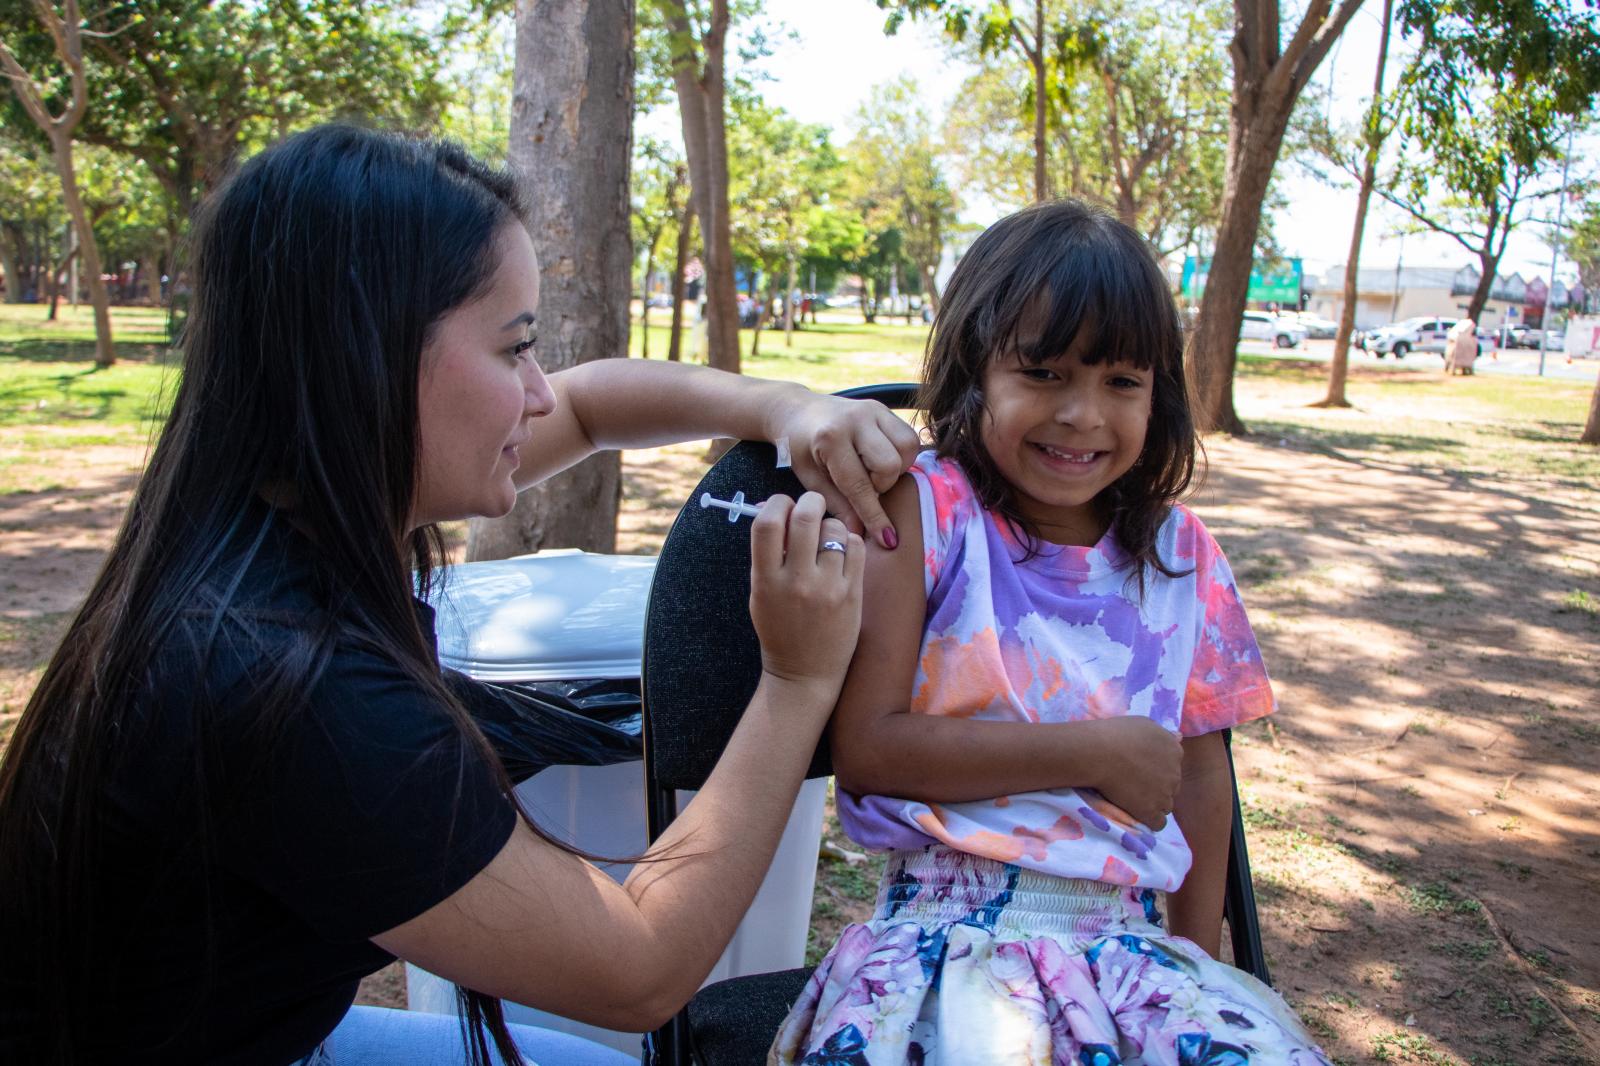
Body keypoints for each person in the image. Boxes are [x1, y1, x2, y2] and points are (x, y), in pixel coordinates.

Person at [0, 125, 922, 1066]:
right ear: (368, 357)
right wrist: (795, 681)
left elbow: (592, 404)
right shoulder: (291, 686)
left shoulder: (262, 517)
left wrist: (783, 409)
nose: (534, 393)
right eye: (514, 347)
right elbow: (638, 967)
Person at [772, 201, 1331, 1064]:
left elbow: (1199, 779)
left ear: (1160, 396)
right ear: (974, 371)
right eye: (1043, 373)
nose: (1082, 415)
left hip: (1133, 947)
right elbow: (870, 750)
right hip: (945, 946)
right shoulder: (924, 514)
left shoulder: (1183, 555)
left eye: (1121, 382)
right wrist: (1095, 752)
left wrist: (1197, 962)